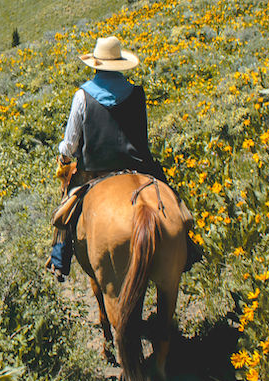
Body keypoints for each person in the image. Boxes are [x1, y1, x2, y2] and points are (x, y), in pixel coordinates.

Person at [47, 35, 200, 280]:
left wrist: (64, 156)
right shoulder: (137, 94)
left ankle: (59, 257)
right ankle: (187, 246)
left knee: (67, 209)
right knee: (172, 200)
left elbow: (70, 144)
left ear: (96, 64)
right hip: (139, 168)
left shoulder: (82, 96)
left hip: (95, 171)